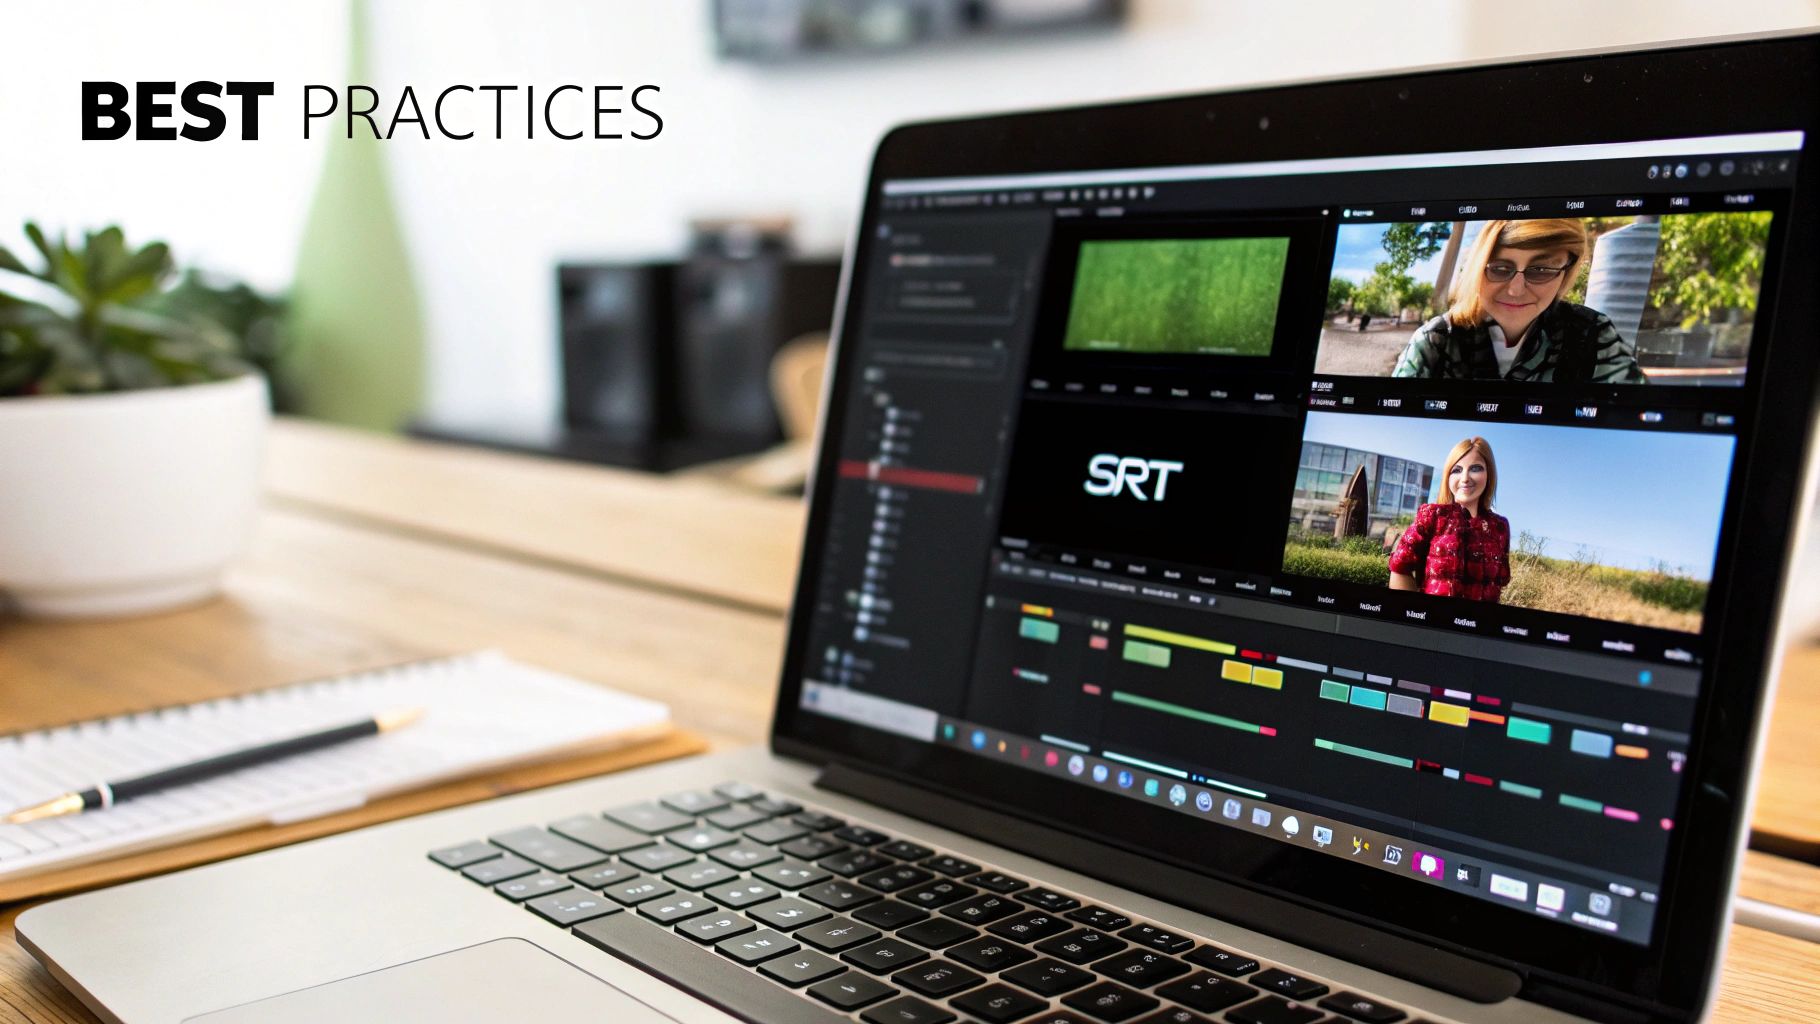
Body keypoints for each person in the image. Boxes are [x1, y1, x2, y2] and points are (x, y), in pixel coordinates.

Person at [1391, 219, 1647, 383]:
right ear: (1477, 269)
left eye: (1541, 270)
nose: (1515, 290)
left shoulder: (1591, 333)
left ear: (1566, 272)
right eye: (1500, 269)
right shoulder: (1436, 341)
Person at [1388, 436, 1510, 602]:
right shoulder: (1432, 516)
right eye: (1457, 470)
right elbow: (1399, 566)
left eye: (1475, 468)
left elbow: (1498, 585)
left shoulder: (1500, 527)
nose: (1465, 478)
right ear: (1448, 477)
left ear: (1489, 474)